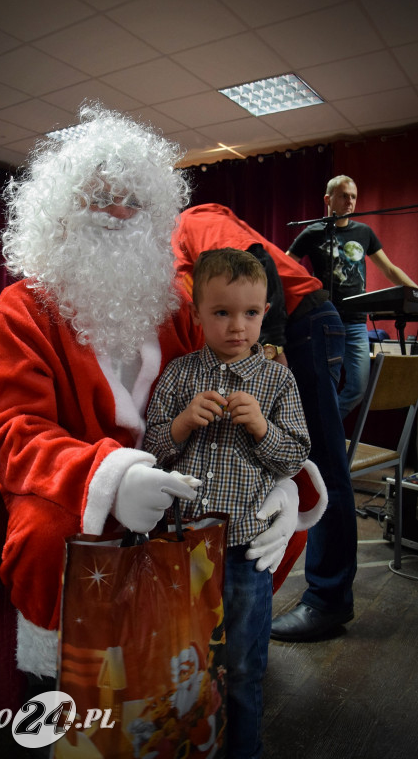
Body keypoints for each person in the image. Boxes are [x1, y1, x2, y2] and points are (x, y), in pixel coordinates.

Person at [0, 107, 323, 688]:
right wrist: (110, 477)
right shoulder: (20, 309)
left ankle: (203, 669)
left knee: (264, 515)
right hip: (69, 482)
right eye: (98, 198)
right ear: (57, 212)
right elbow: (12, 430)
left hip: (186, 472)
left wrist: (284, 480)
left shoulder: (177, 307)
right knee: (47, 534)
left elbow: (236, 383)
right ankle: (68, 690)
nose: (117, 213)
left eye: (133, 201)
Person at [144, 247, 311, 759]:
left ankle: (243, 749)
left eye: (251, 313)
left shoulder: (279, 380)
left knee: (242, 665)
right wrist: (180, 425)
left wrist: (262, 427)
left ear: (265, 313)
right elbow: (148, 450)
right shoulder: (178, 375)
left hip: (243, 552)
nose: (237, 327)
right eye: (221, 312)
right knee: (179, 659)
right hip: (180, 549)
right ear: (196, 315)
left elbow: (295, 457)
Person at [172, 203, 358, 642]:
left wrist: (269, 347)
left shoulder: (189, 221)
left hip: (301, 323)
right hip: (301, 323)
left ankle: (328, 600)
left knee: (321, 463)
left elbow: (253, 259)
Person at [287, 174, 418, 419]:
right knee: (323, 387)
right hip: (325, 320)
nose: (350, 201)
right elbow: (284, 265)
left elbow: (389, 269)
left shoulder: (363, 232)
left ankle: (321, 431)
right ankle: (324, 438)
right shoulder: (312, 232)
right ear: (328, 199)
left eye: (354, 197)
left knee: (357, 388)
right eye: (344, 196)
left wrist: (415, 292)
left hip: (356, 322)